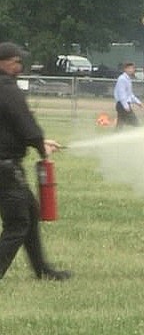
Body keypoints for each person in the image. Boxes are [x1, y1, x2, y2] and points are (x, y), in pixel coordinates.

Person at [0, 42, 71, 281]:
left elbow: (10, 128)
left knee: (29, 211)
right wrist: (40, 146)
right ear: (4, 62)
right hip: (6, 166)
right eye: (16, 61)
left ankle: (42, 270)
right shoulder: (8, 89)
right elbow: (25, 124)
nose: (20, 66)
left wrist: (40, 142)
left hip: (5, 163)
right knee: (18, 222)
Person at [114, 62, 142, 129]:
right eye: (129, 68)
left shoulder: (127, 79)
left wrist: (138, 102)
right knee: (136, 123)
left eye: (132, 68)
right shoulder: (122, 79)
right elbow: (121, 93)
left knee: (120, 124)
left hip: (123, 104)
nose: (131, 70)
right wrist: (125, 105)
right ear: (125, 69)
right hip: (122, 105)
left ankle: (116, 136)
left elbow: (129, 94)